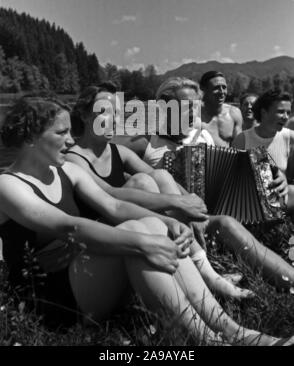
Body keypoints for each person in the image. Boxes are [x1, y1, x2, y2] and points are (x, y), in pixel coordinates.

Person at [0, 95, 286, 346]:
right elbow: (68, 226)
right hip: (52, 295)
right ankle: (208, 340)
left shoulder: (65, 172)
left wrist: (168, 223)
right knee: (138, 233)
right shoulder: (8, 185)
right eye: (61, 133)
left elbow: (113, 204)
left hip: (89, 274)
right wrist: (143, 241)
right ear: (30, 137)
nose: (71, 139)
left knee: (148, 226)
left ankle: (233, 330)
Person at [66, 83, 252, 300]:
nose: (114, 120)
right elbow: (110, 195)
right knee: (142, 182)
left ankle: (205, 272)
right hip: (105, 239)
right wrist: (175, 202)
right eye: (104, 113)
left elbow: (164, 179)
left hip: (137, 227)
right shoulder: (73, 157)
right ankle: (205, 276)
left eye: (117, 113)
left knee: (160, 176)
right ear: (85, 116)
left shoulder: (119, 151)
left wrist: (191, 200)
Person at [113, 77, 294, 290]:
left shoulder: (203, 134)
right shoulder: (145, 140)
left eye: (195, 107)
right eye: (185, 108)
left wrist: (276, 174)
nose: (193, 114)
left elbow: (239, 161)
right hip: (183, 219)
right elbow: (104, 153)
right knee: (226, 223)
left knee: (291, 191)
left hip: (223, 201)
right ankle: (289, 279)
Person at [233, 88, 294, 213]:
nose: (286, 117)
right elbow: (232, 180)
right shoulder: (242, 139)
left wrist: (286, 184)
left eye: (288, 112)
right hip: (248, 204)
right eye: (281, 112)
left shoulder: (290, 137)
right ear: (264, 112)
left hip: (281, 203)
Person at [200, 71, 243, 147]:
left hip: (226, 158)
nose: (222, 92)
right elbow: (177, 143)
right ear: (203, 89)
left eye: (224, 87)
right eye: (216, 88)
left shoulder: (234, 113)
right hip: (196, 157)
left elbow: (238, 147)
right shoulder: (190, 112)